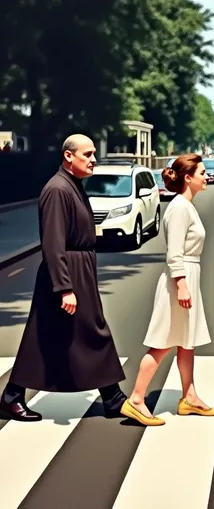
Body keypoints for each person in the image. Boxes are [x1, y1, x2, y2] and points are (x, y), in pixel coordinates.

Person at [0, 135, 126, 422]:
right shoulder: (58, 189)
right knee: (93, 331)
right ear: (69, 156)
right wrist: (64, 287)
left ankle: (11, 396)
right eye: (88, 154)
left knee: (48, 336)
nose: (94, 159)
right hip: (68, 272)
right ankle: (113, 397)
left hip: (77, 268)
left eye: (94, 154)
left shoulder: (72, 185)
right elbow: (53, 242)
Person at [120, 154, 214, 426]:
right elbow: (174, 253)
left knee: (186, 342)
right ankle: (136, 400)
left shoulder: (186, 206)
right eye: (201, 172)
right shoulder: (179, 208)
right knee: (162, 342)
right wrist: (181, 285)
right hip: (181, 278)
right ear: (188, 178)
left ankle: (190, 397)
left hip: (189, 276)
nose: (206, 175)